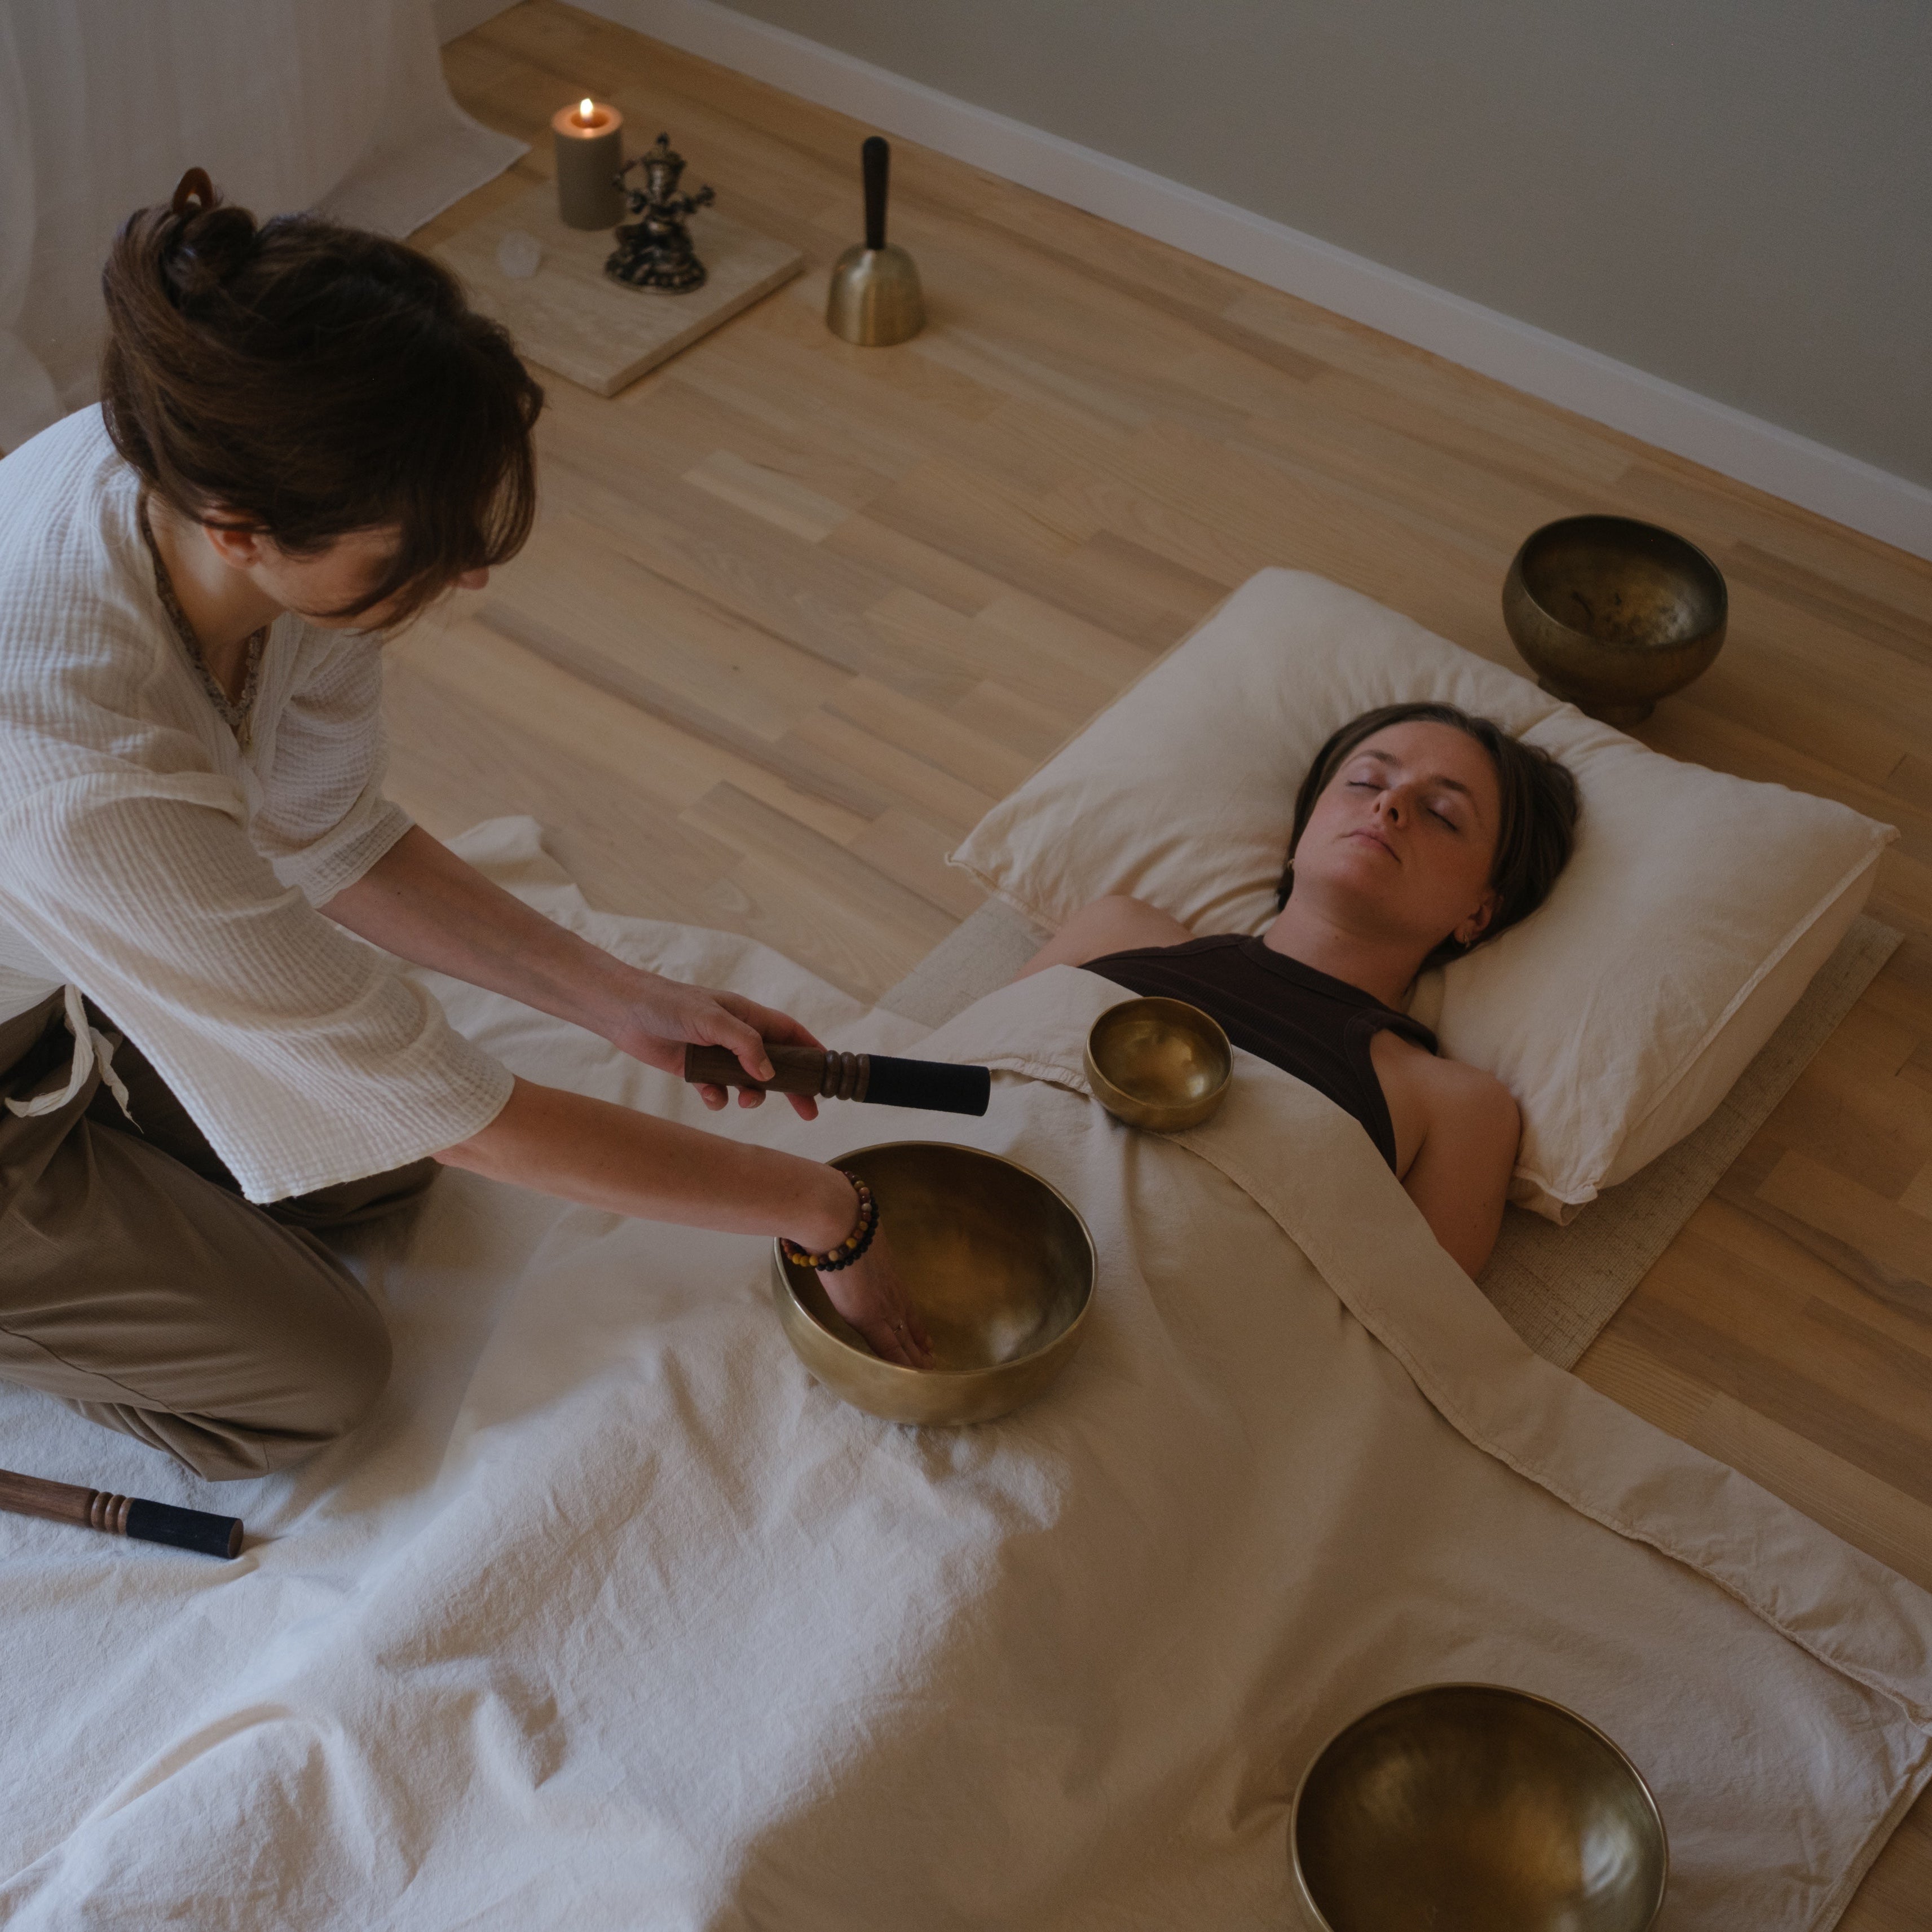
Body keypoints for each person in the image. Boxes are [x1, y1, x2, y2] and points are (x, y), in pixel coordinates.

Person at [0, 173, 929, 1484]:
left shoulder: (229, 473)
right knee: (316, 1380)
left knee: (369, 1182)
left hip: (66, 983)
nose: (470, 573)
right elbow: (463, 1110)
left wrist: (623, 998)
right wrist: (825, 1211)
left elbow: (328, 833)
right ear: (241, 532)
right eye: (427, 548)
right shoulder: (77, 777)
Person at [1017, 703, 1579, 1274]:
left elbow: (1410, 1337)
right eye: (1364, 781)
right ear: (1306, 826)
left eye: (1441, 814)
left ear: (1478, 913)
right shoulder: (1116, 931)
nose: (1389, 805)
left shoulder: (1456, 1107)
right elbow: (955, 1076)